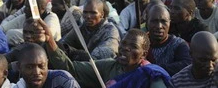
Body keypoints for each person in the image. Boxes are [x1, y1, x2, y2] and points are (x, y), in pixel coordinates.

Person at [35, 19, 171, 88]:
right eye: (123, 44)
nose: (126, 48)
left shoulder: (151, 75)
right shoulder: (109, 66)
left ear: (143, 54)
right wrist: (50, 41)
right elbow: (72, 69)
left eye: (133, 46)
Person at [146, 5, 192, 76]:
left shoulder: (178, 44)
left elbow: (187, 65)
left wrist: (153, 68)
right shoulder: (139, 43)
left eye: (163, 21)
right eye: (154, 21)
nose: (159, 26)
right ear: (147, 21)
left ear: (170, 22)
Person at [13, 43, 81, 88]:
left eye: (41, 66)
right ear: (19, 67)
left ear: (47, 64)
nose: (37, 72)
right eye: (30, 67)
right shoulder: (18, 86)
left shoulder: (62, 80)